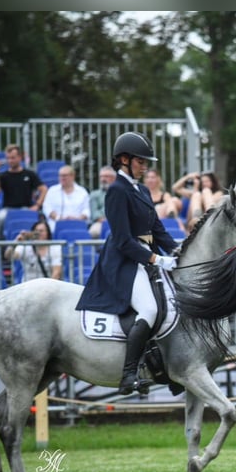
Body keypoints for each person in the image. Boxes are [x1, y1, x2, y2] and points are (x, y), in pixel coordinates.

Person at [76, 131, 179, 395]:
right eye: (141, 161)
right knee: (149, 309)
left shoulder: (142, 189)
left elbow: (157, 228)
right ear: (124, 159)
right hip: (124, 261)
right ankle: (128, 374)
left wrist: (179, 250)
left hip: (145, 255)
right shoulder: (117, 191)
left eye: (146, 162)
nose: (145, 166)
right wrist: (156, 259)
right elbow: (122, 240)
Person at [0, 144, 47, 238]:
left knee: (40, 221)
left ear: (20, 157)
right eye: (8, 158)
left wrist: (37, 205)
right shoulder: (3, 176)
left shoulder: (30, 174)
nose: (10, 161)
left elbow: (43, 189)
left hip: (26, 208)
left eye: (13, 158)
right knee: (0, 217)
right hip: (8, 209)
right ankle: (1, 247)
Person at [41, 165, 90, 234]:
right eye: (60, 176)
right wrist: (59, 218)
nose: (62, 178)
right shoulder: (52, 191)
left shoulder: (82, 192)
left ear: (72, 176)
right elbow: (47, 208)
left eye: (64, 176)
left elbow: (86, 210)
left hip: (77, 224)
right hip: (55, 225)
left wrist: (77, 219)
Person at [88, 165, 117, 239]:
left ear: (114, 178)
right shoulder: (94, 194)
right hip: (100, 223)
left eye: (106, 176)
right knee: (93, 232)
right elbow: (94, 213)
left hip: (119, 222)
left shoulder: (121, 193)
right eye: (101, 176)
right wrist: (105, 221)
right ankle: (98, 250)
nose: (103, 179)